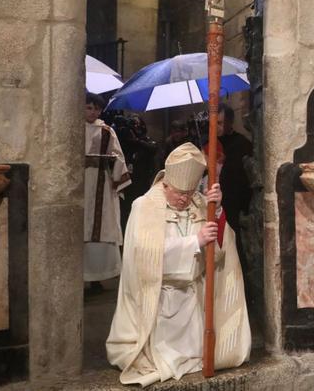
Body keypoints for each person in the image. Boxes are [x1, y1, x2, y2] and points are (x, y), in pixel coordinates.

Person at [106, 143, 251, 386]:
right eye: (179, 193)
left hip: (192, 299)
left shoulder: (199, 202)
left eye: (190, 192)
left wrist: (217, 210)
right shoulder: (144, 207)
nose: (185, 199)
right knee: (163, 356)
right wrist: (195, 241)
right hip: (158, 300)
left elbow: (221, 253)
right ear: (165, 184)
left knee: (202, 354)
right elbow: (146, 256)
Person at [84, 92, 131, 293]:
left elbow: (119, 158)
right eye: (88, 107)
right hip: (80, 183)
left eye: (96, 108)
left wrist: (113, 163)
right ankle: (80, 277)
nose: (93, 112)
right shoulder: (72, 128)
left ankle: (97, 278)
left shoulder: (106, 131)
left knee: (99, 226)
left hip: (100, 183)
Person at [216, 104, 253, 234]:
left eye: (219, 123)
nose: (215, 127)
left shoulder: (242, 143)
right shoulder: (211, 143)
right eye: (213, 123)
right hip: (216, 198)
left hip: (235, 201)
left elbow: (245, 176)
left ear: (230, 122)